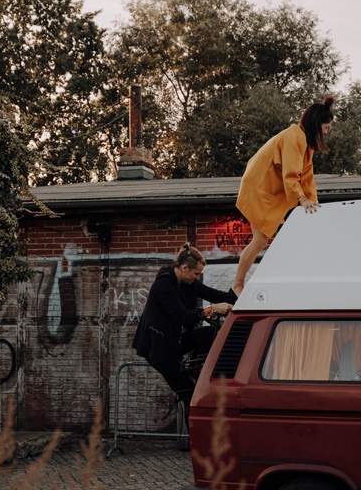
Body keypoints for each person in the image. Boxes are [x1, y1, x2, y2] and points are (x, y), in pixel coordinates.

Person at [232, 95, 335, 295]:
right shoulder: (295, 136)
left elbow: (307, 178)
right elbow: (291, 175)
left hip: (269, 189)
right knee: (260, 239)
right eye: (326, 127)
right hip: (260, 187)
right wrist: (303, 199)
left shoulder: (305, 142)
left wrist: (314, 204)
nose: (326, 131)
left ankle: (262, 281)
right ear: (317, 123)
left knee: (273, 237)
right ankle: (237, 284)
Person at [132, 244, 236, 406]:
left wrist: (238, 296)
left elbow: (215, 294)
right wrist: (213, 309)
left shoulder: (190, 284)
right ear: (184, 268)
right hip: (161, 348)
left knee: (209, 333)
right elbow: (183, 316)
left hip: (177, 341)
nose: (197, 277)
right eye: (196, 274)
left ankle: (194, 371)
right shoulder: (163, 285)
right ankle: (196, 430)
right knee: (190, 397)